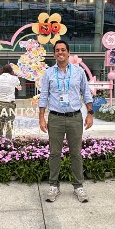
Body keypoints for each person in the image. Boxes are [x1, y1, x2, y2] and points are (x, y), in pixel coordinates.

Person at [39, 40, 93, 203]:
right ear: (54, 54)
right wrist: (41, 117)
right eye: (57, 50)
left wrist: (90, 113)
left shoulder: (79, 72)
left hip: (75, 118)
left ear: (68, 53)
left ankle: (78, 186)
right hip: (55, 118)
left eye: (63, 50)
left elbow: (86, 93)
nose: (60, 52)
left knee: (76, 153)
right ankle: (53, 186)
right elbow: (44, 96)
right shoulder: (48, 73)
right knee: (54, 153)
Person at [0, 64, 21, 140]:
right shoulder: (14, 78)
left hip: (0, 103)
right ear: (11, 70)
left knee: (0, 123)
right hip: (10, 104)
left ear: (2, 70)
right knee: (9, 123)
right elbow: (18, 83)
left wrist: (0, 74)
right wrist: (13, 74)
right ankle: (8, 141)